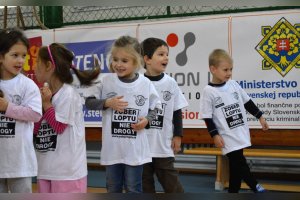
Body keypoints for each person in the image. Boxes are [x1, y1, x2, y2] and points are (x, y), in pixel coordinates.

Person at [85, 35, 162, 193]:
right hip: (113, 150)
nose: (118, 65)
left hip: (135, 151)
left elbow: (156, 107)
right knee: (113, 188)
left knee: (134, 188)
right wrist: (107, 103)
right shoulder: (106, 81)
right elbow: (88, 102)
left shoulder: (145, 84)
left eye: (124, 61)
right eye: (115, 59)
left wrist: (147, 120)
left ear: (136, 62)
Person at [33, 43, 100, 193]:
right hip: (45, 168)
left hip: (67, 173)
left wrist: (46, 104)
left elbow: (59, 126)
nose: (34, 67)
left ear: (49, 65)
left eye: (37, 62)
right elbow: (35, 129)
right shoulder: (44, 94)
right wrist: (41, 105)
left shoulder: (68, 94)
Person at [199, 49, 269, 193]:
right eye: (225, 69)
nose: (229, 72)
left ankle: (233, 192)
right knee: (239, 161)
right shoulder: (208, 91)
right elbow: (207, 116)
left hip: (240, 132)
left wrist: (260, 117)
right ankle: (254, 185)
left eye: (231, 69)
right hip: (226, 136)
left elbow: (247, 102)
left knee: (235, 168)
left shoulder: (234, 85)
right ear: (213, 69)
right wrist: (215, 135)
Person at [141, 37, 188, 193]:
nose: (166, 58)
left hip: (163, 146)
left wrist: (178, 135)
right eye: (161, 54)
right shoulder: (138, 82)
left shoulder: (170, 83)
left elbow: (177, 110)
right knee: (144, 187)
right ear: (147, 59)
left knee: (174, 189)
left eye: (167, 54)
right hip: (141, 147)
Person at [0, 28, 42, 193]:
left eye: (23, 56)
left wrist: (7, 107)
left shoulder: (27, 85)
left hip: (20, 162)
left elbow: (35, 114)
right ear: (1, 56)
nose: (20, 60)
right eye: (15, 55)